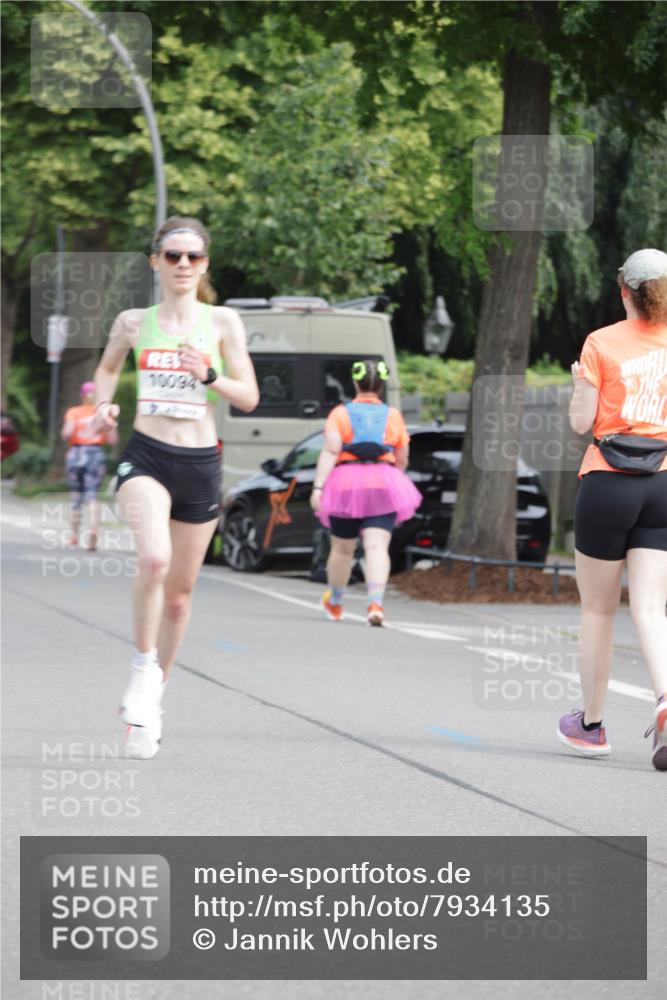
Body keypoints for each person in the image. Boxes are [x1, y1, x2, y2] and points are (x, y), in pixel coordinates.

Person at [90, 216, 259, 759]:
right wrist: (102, 405)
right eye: (172, 256)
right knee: (155, 562)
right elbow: (108, 370)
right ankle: (142, 669)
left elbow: (249, 397)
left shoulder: (225, 322)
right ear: (155, 262)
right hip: (147, 456)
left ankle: (152, 702)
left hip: (201, 463)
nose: (183, 264)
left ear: (205, 264)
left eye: (192, 257)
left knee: (181, 600)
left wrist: (208, 375)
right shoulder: (134, 322)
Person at [559, 248, 667, 771]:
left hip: (608, 481)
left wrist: (582, 382)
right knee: (651, 608)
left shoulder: (601, 343)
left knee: (598, 610)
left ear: (623, 289)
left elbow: (582, 423)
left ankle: (592, 726)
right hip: (664, 484)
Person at [310, 359, 422, 626]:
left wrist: (318, 487)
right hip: (383, 482)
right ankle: (375, 603)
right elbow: (402, 456)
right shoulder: (393, 415)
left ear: (355, 383)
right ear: (381, 385)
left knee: (342, 548)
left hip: (345, 483)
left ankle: (336, 601)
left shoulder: (340, 413)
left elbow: (330, 451)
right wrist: (395, 477)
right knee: (376, 546)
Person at [61, 380, 118, 550]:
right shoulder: (104, 414)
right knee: (92, 495)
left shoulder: (74, 412)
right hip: (95, 454)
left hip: (76, 453)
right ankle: (93, 529)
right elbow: (114, 440)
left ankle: (73, 536)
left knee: (76, 498)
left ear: (82, 395)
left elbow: (66, 433)